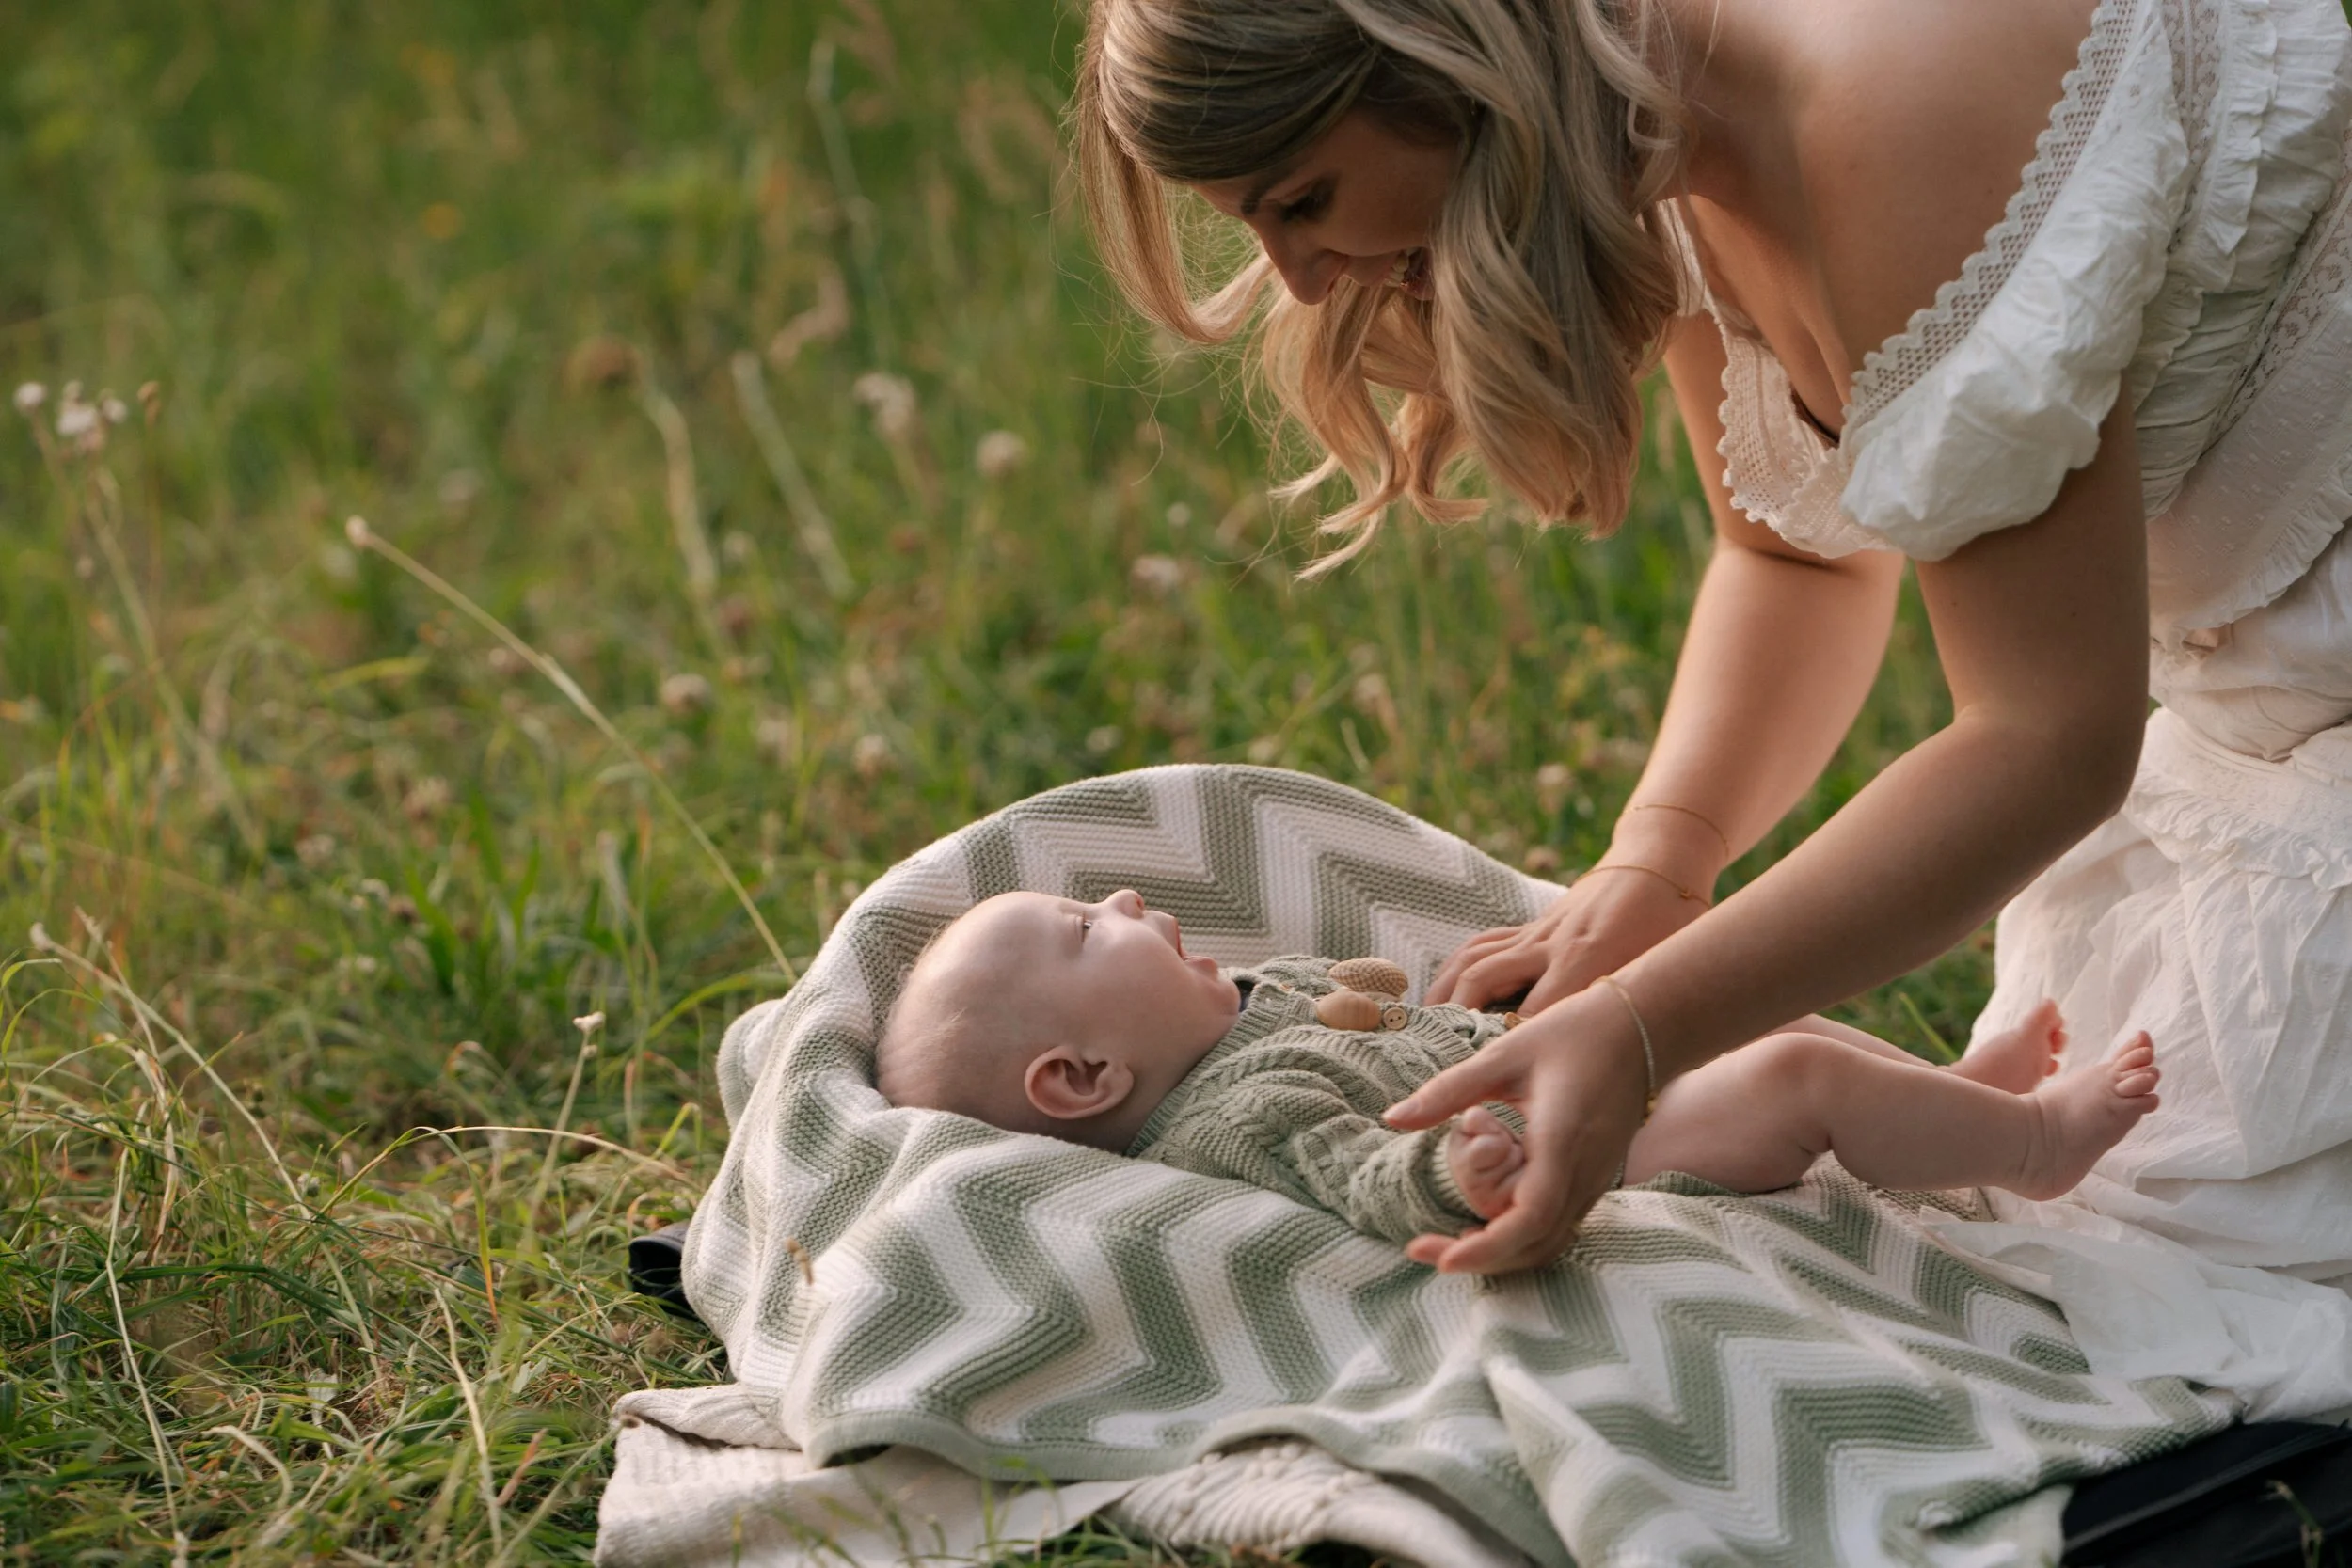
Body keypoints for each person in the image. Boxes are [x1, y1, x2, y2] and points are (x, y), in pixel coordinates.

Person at [1071, 0, 2352, 1354]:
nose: (1303, 281)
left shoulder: (1882, 111)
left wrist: (1639, 1033)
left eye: (1304, 200)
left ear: (1444, 56)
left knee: (2207, 1260)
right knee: (2104, 1198)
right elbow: (1794, 563)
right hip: (2261, 693)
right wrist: (1658, 869)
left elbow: (2050, 736)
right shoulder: (1651, 110)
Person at [874, 888, 2160, 1246]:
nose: (1125, 893)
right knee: (1790, 1082)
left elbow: (1364, 1017)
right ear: (1084, 1078)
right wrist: (1453, 1168)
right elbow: (1359, 1172)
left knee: (1775, 1028)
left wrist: (1441, 996)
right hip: (1605, 1158)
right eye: (1087, 928)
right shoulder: (1228, 1118)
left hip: (1575, 1074)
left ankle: (1962, 1095)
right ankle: (2034, 1150)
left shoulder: (1241, 1014)